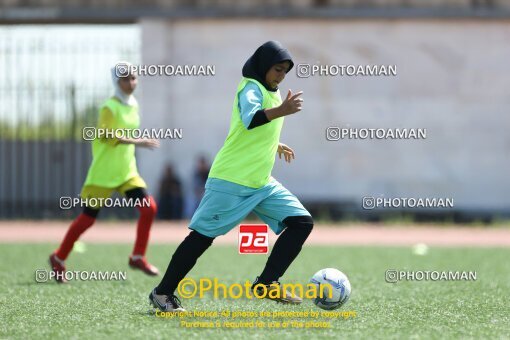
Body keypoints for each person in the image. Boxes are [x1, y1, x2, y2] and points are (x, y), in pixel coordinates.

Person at [149, 41, 313, 311]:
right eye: (277, 69)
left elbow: (259, 129)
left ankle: (267, 283)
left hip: (261, 183)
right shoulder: (250, 86)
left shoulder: (274, 91)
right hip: (231, 180)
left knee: (302, 223)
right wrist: (282, 111)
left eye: (285, 71)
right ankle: (162, 293)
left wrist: (275, 144)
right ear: (263, 66)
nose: (280, 75)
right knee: (201, 237)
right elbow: (251, 119)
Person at [49, 62, 160, 282]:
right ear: (116, 82)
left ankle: (138, 256)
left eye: (133, 78)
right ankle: (59, 257)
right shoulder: (109, 107)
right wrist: (139, 142)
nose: (131, 82)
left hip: (127, 172)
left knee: (149, 209)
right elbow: (106, 136)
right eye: (125, 79)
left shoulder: (133, 104)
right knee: (88, 219)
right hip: (104, 174)